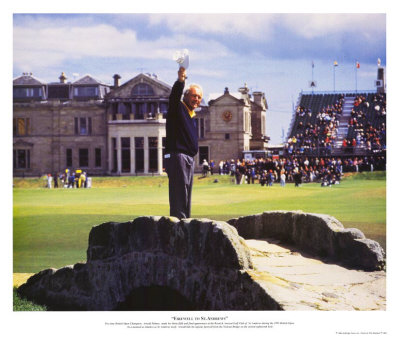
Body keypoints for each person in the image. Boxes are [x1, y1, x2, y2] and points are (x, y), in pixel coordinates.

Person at [165, 66, 202, 219]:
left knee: (186, 196)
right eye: (194, 96)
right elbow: (173, 97)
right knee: (179, 196)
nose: (197, 100)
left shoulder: (191, 115)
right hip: (178, 157)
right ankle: (178, 231)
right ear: (186, 95)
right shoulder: (178, 107)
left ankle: (184, 225)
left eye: (199, 97)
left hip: (188, 158)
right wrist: (181, 80)